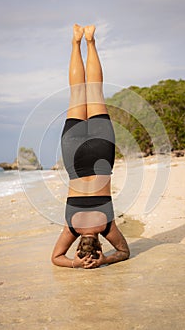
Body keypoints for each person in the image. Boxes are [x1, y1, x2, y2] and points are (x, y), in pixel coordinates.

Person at [51, 24, 130, 269]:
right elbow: (55, 259)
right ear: (78, 246)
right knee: (77, 93)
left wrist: (107, 259)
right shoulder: (71, 227)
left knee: (94, 90)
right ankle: (76, 42)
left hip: (101, 153)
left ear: (100, 244)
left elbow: (124, 252)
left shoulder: (107, 226)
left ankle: (90, 41)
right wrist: (73, 264)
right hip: (74, 158)